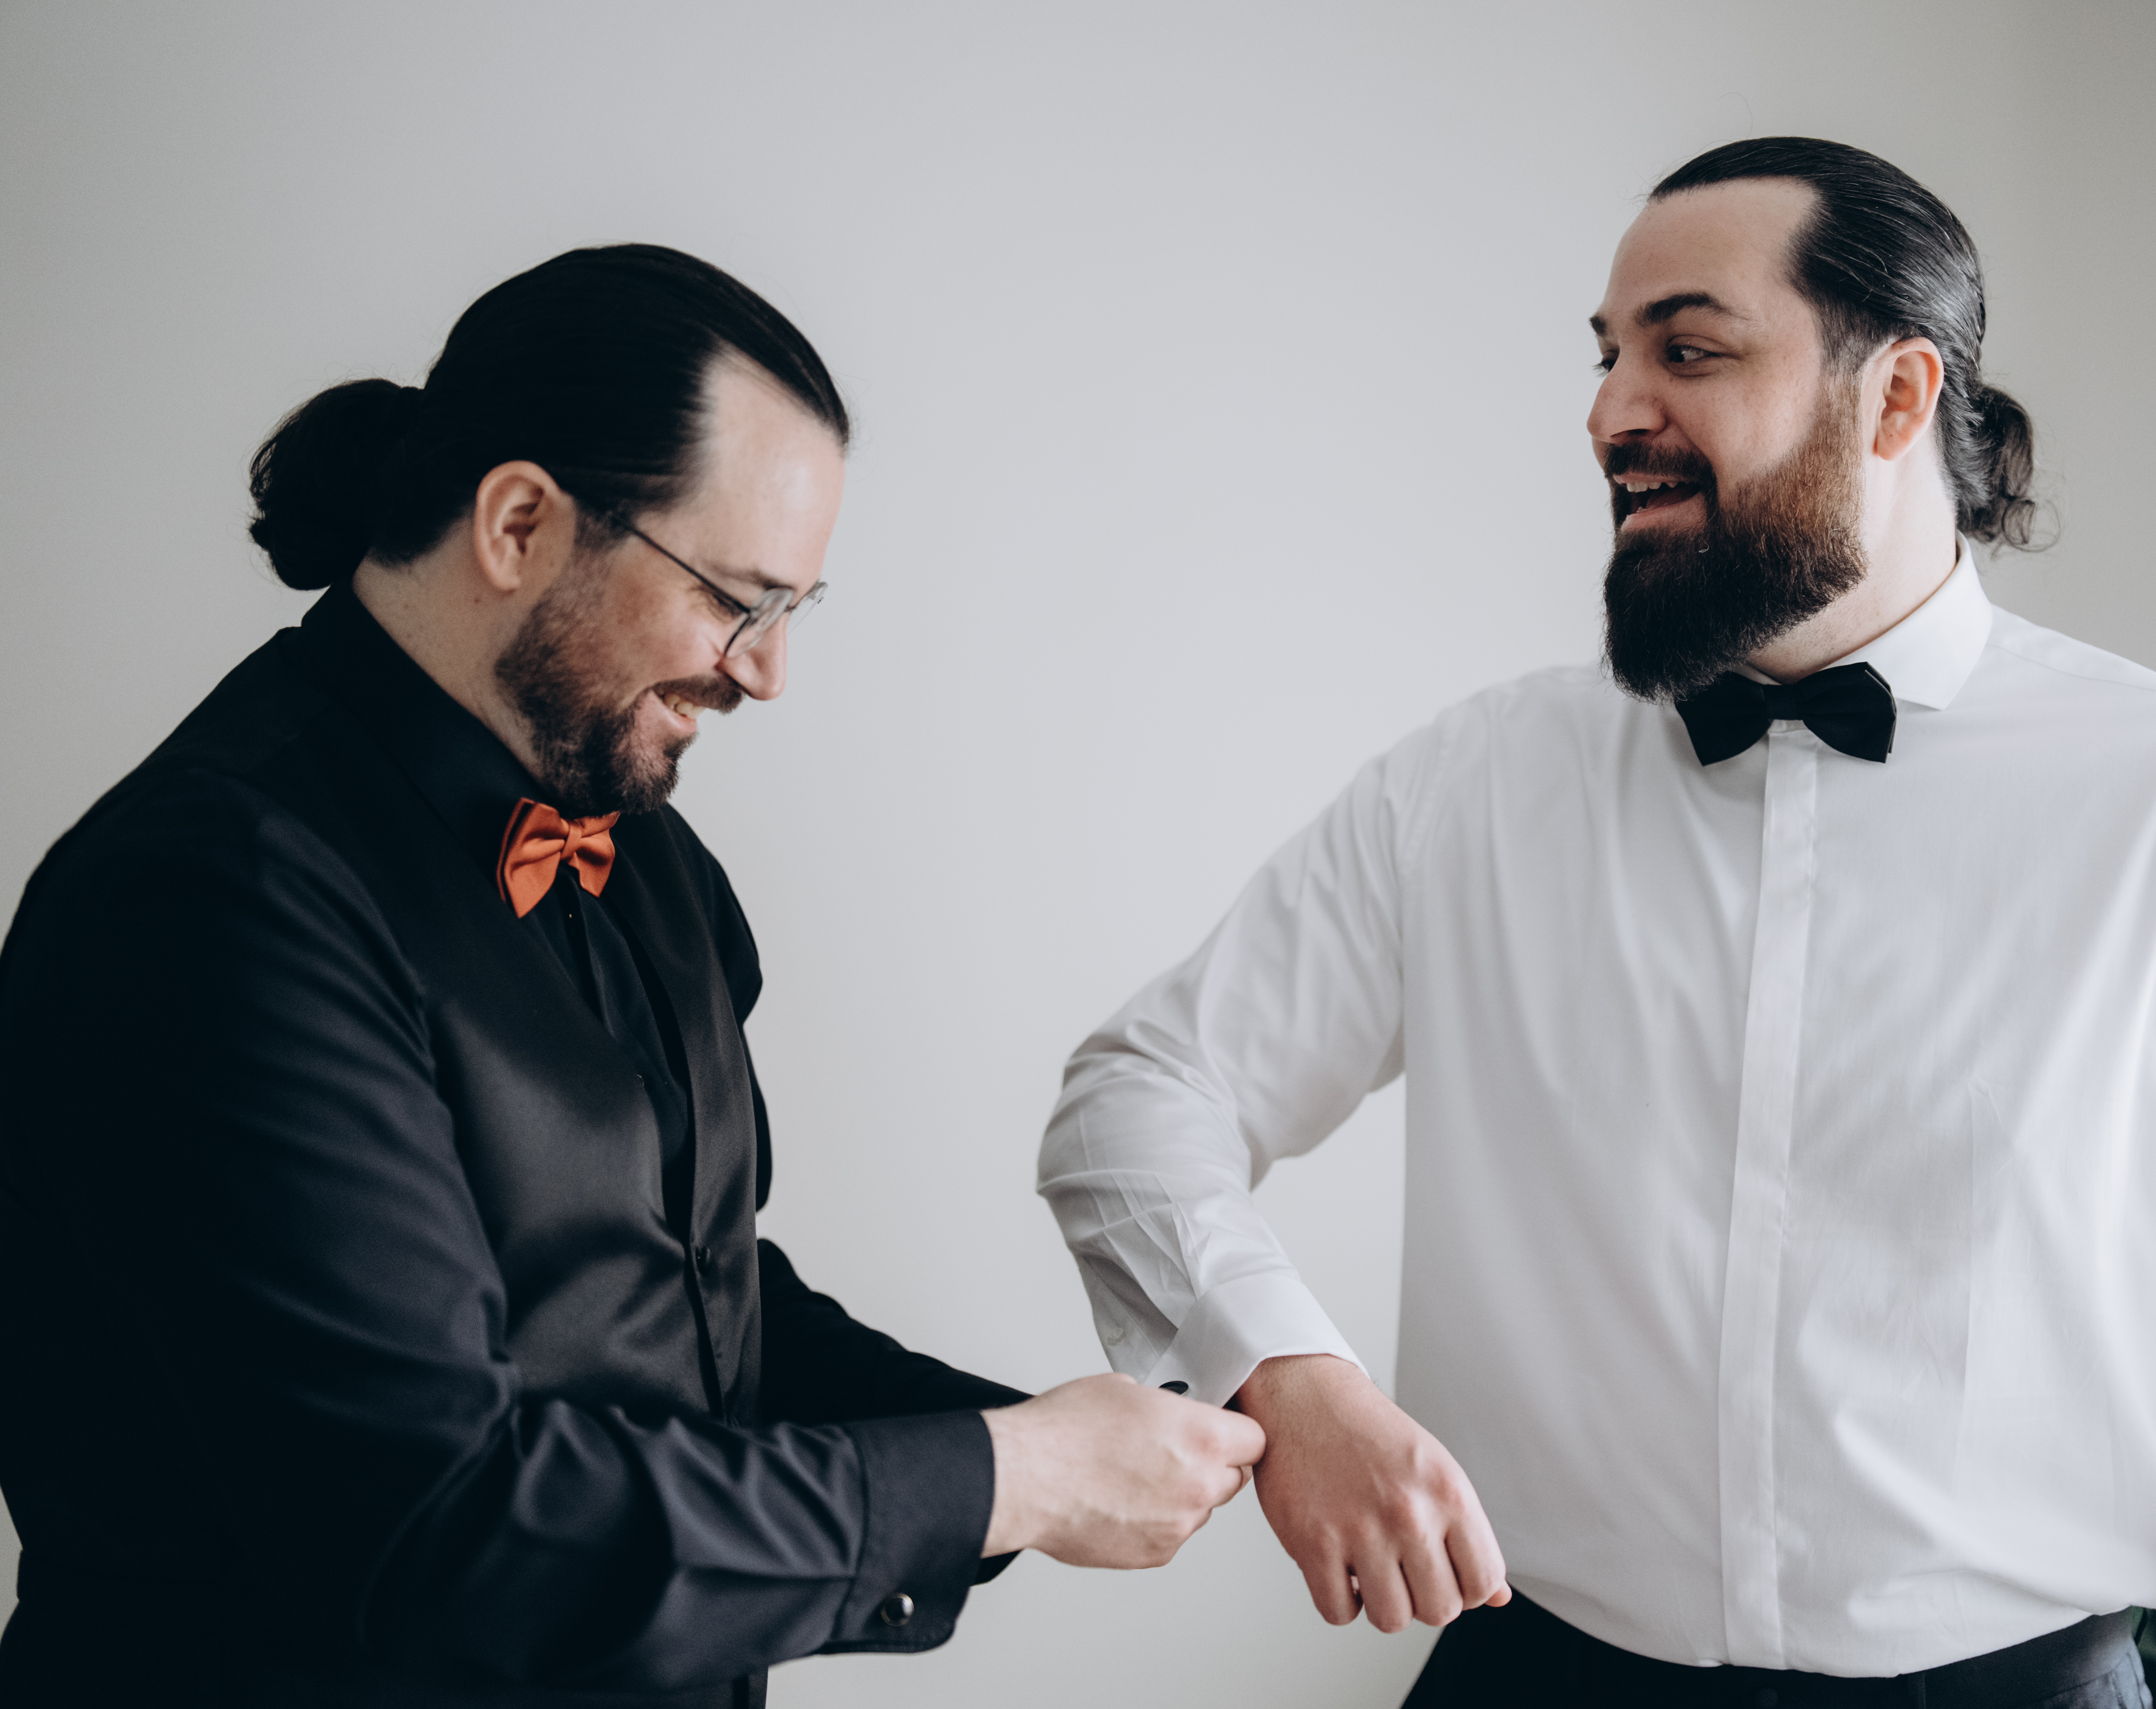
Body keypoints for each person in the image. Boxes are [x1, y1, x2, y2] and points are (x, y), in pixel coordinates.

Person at [1037, 138, 2156, 1706]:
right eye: (1607, 356)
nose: (1610, 413)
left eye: (1690, 351)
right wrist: (1280, 1369)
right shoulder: (1474, 785)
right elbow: (1139, 1095)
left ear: (1898, 398)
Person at [0, 244, 1264, 1709]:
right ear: (519, 525)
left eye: (794, 611)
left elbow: (699, 1307)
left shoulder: (647, 852)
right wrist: (1007, 1479)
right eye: (739, 599)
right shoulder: (208, 895)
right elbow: (437, 1528)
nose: (767, 673)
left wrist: (1050, 1439)